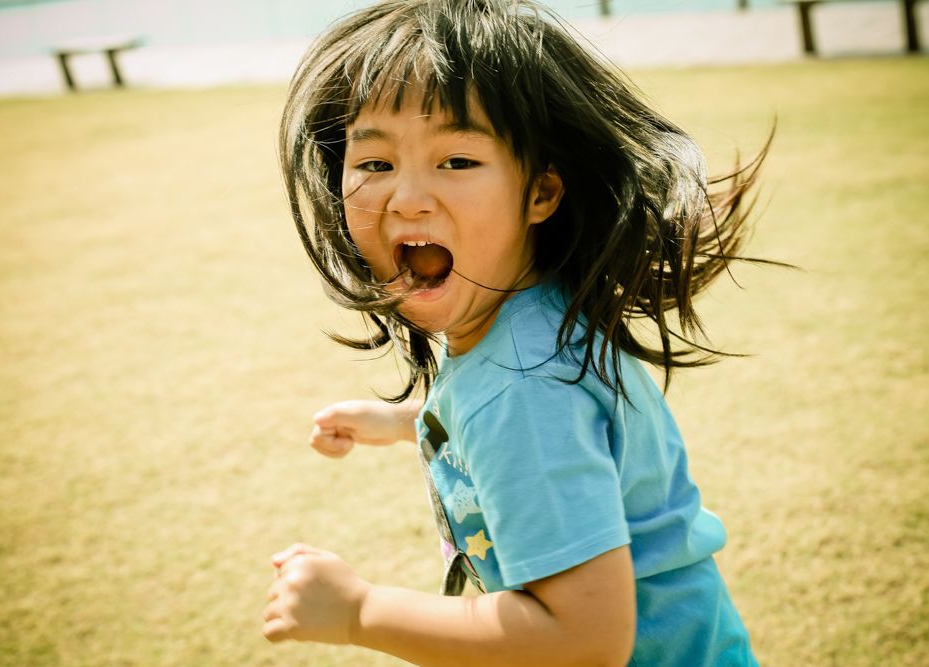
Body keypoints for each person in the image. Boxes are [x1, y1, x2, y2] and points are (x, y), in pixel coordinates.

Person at [263, 0, 768, 664]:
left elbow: (583, 640)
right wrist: (417, 422)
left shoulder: (525, 388)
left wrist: (360, 609)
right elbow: (530, 426)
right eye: (376, 164)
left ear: (541, 192)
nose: (406, 197)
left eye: (458, 160)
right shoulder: (526, 318)